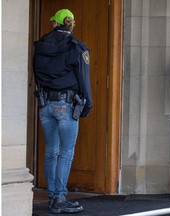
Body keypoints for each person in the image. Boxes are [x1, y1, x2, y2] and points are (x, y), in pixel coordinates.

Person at [33, 9, 93, 214]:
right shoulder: (77, 48)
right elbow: (84, 80)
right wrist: (88, 105)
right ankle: (59, 198)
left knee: (51, 150)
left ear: (54, 24)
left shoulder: (40, 47)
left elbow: (37, 74)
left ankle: (52, 196)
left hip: (45, 104)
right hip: (65, 105)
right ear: (71, 24)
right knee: (66, 153)